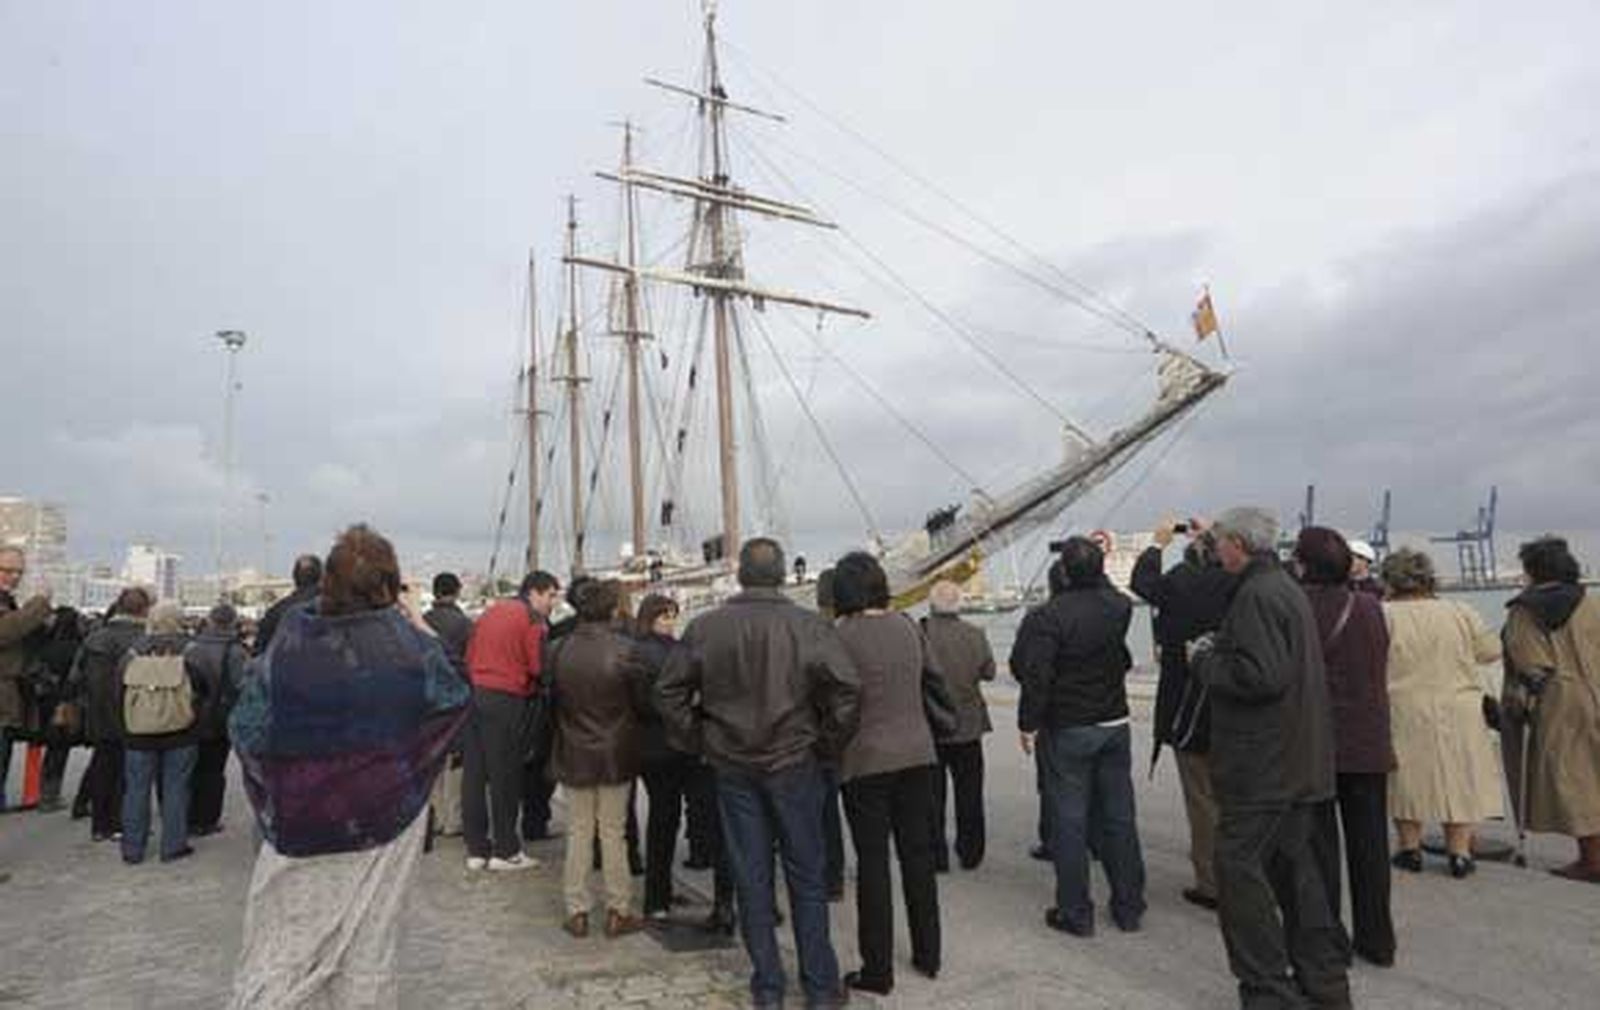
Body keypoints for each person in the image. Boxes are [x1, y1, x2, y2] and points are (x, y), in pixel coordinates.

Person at [228, 524, 470, 1010]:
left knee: (283, 941)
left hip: (299, 816)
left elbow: (246, 728)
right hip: (385, 816)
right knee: (369, 943)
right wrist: (420, 625)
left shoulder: (290, 639)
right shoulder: (410, 648)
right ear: (390, 585)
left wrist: (276, 789)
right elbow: (455, 697)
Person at [657, 537, 859, 1010]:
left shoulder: (706, 628)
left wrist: (700, 738)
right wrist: (825, 745)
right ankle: (819, 987)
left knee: (752, 876)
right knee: (806, 875)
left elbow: (668, 692)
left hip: (734, 762)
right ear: (783, 574)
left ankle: (768, 986)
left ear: (741, 575)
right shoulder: (809, 626)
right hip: (794, 760)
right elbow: (848, 691)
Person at [1193, 507, 1348, 1010]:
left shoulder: (1256, 595)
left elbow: (1260, 676)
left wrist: (1205, 660)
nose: (1215, 549)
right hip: (1297, 757)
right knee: (1296, 875)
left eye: (1220, 541)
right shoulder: (1285, 588)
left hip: (1262, 766)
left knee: (1239, 872)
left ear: (1237, 544)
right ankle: (1324, 983)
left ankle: (1266, 990)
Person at [1012, 536, 1146, 939]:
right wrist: (1096, 560)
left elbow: (1034, 674)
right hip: (1114, 722)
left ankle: (1075, 911)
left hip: (1069, 725)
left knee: (1069, 821)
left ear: (1064, 573)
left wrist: (1028, 722)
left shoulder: (1047, 617)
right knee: (1120, 818)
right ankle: (1129, 906)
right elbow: (1106, 590)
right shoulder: (1118, 606)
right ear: (1100, 570)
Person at [832, 551, 945, 995]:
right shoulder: (909, 626)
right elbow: (933, 680)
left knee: (873, 863)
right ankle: (929, 953)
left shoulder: (840, 636)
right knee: (918, 855)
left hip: (864, 760)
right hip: (917, 752)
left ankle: (878, 970)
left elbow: (830, 700)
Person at [1294, 528, 1395, 967]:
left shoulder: (1299, 609)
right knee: (1370, 845)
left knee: (1320, 849)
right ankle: (1378, 938)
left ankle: (1329, 939)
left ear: (1303, 565)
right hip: (1369, 738)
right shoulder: (1371, 606)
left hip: (1319, 742)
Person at [1129, 518, 1235, 910]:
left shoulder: (1182, 581)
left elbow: (1142, 582)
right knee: (1236, 799)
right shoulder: (1239, 582)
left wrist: (1157, 544)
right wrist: (1214, 533)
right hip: (1236, 704)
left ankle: (1212, 883)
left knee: (1202, 800)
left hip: (1188, 707)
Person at [1381, 548, 1502, 878]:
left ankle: (1410, 849)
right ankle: (1459, 853)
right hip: (1459, 705)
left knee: (1407, 780)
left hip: (1404, 706)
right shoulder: (1460, 611)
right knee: (1457, 778)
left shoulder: (1383, 615)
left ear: (1390, 580)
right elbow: (1490, 652)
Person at [550, 579, 649, 938]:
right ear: (611, 610)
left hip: (574, 747)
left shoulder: (558, 649)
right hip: (615, 750)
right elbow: (642, 702)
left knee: (578, 831)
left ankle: (576, 909)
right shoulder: (626, 649)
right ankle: (617, 909)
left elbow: (550, 700)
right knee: (613, 832)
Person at [1501, 536, 1600, 882]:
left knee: (1572, 777)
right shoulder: (1590, 602)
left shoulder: (1525, 609)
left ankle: (1593, 860)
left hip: (1560, 701)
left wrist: (1517, 708)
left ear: (1533, 570)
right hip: (1596, 689)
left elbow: (1530, 664)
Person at [461, 570, 561, 871]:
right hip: (505, 698)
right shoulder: (533, 620)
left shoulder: (491, 612)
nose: (553, 603)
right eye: (551, 595)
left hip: (475, 694)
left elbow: (469, 654)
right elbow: (537, 667)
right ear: (533, 593)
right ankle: (506, 850)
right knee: (505, 775)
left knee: (474, 775)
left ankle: (476, 849)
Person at [117, 601, 203, 864]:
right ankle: (173, 845)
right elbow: (203, 685)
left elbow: (117, 686)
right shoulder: (191, 650)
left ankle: (133, 849)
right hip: (181, 730)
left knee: (136, 789)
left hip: (138, 731)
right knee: (176, 787)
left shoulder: (133, 651)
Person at [922, 579, 996, 872]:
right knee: (970, 792)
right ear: (959, 605)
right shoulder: (975, 634)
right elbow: (989, 672)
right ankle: (971, 852)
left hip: (932, 724)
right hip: (968, 724)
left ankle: (936, 854)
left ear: (931, 604)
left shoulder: (920, 634)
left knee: (932, 795)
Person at [68, 587, 151, 841]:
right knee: (127, 773)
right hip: (133, 714)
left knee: (102, 767)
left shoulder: (96, 636)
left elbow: (76, 676)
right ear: (144, 610)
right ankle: (119, 823)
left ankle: (99, 825)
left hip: (98, 713)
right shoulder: (145, 639)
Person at [631, 593, 696, 919]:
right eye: (665, 617)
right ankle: (659, 895)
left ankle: (658, 895)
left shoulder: (631, 651)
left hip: (644, 745)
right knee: (667, 819)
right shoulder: (676, 652)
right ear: (652, 619)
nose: (671, 623)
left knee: (660, 818)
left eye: (673, 616)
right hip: (673, 744)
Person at [1012, 560, 1070, 862]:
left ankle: (1054, 842)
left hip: (1056, 714)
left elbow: (1025, 668)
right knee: (1101, 786)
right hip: (1105, 714)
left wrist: (1028, 722)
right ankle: (1100, 842)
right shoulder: (1110, 608)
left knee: (1053, 784)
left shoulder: (1039, 618)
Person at [185, 603, 249, 837]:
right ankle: (207, 819)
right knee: (213, 770)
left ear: (210, 621)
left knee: (192, 768)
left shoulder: (192, 647)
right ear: (232, 622)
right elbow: (242, 686)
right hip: (220, 718)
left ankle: (188, 816)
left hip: (191, 715)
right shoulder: (236, 651)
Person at [0, 545, 53, 811]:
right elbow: (5, 631)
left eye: (19, 572)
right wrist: (40, 604)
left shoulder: (8, 600)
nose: (14, 577)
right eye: (7, 570)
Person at [423, 572, 473, 837]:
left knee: (434, 761)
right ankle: (454, 818)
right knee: (457, 761)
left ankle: (436, 817)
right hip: (457, 697)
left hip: (427, 700)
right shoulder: (464, 624)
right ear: (457, 591)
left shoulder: (421, 621)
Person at [253, 554, 323, 657]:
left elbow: (259, 655)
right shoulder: (338, 608)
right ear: (321, 576)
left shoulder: (275, 613)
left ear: (295, 577)